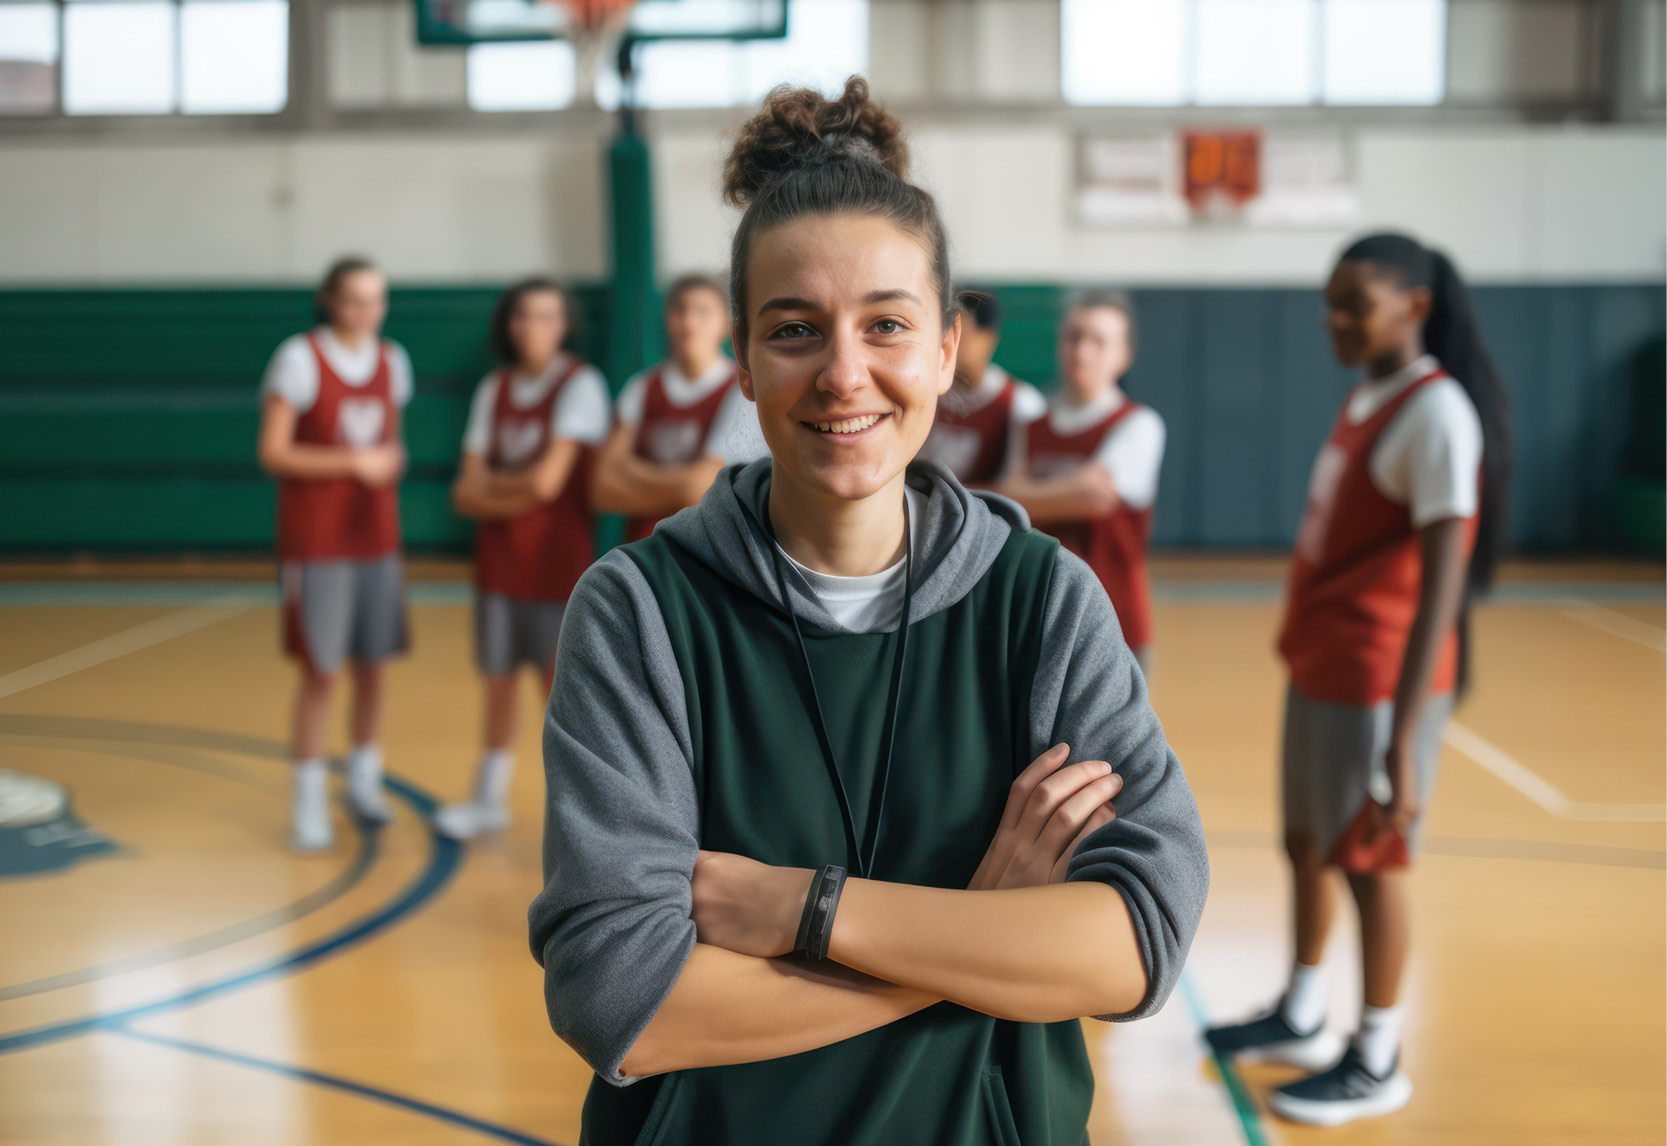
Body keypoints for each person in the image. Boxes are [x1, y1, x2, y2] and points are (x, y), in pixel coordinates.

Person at [527, 78, 1209, 1146]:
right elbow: (622, 1001)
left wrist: (807, 912)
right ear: (745, 367)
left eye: (885, 324)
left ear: (944, 349)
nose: (844, 375)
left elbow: (1140, 940)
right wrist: (982, 935)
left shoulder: (1040, 602)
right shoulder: (640, 610)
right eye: (794, 329)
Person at [1205, 233, 1511, 1127]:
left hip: (1382, 683)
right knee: (1304, 842)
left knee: (1370, 864)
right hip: (1325, 663)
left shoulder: (1436, 413)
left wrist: (1407, 746)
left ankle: (1377, 1054)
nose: (1332, 322)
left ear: (1414, 305)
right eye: (1329, 303)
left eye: (1353, 305)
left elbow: (1441, 595)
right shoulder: (1370, 394)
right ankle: (1301, 1009)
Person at [438, 278, 611, 840]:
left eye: (545, 316)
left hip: (558, 567)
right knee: (497, 685)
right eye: (523, 316)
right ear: (510, 325)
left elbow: (547, 482)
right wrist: (503, 490)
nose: (532, 327)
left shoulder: (580, 385)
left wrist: (494, 488)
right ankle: (487, 800)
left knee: (562, 696)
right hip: (499, 566)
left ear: (563, 325)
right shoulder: (495, 388)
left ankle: (587, 819)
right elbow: (463, 491)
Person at [256, 256, 412, 853]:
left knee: (373, 667)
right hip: (317, 543)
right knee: (322, 672)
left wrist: (389, 461)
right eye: (353, 299)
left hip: (375, 537)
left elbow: (391, 445)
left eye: (375, 300)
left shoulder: (392, 360)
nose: (365, 311)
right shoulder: (299, 358)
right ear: (330, 300)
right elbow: (274, 451)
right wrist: (353, 462)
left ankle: (365, 784)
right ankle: (308, 802)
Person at [995, 292, 1165, 670]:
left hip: (1115, 624)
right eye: (1074, 337)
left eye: (1098, 341)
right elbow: (1008, 497)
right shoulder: (1032, 424)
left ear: (1124, 355)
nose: (1082, 351)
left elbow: (1092, 497)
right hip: (1039, 617)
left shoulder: (1139, 424)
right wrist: (1062, 491)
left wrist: (1025, 494)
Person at [591, 273, 766, 540]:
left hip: (708, 555)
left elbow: (700, 487)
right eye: (679, 310)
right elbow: (603, 489)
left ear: (725, 323)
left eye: (702, 311)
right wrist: (681, 485)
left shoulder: (743, 390)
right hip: (642, 555)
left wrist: (633, 472)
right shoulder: (641, 387)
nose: (689, 322)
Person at [917, 290, 1045, 484]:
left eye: (960, 333)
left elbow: (1019, 488)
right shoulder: (927, 391)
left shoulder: (1019, 402)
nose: (947, 341)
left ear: (987, 338)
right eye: (943, 330)